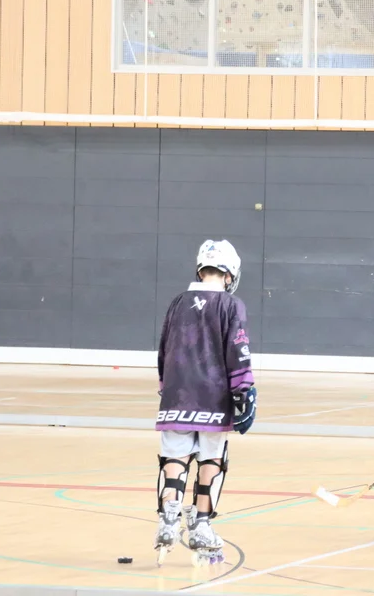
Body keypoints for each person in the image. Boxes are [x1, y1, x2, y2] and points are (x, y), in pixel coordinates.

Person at [154, 239, 257, 565]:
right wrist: (244, 390)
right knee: (212, 458)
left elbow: (164, 348)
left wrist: (165, 387)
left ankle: (168, 519)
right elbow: (238, 349)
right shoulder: (231, 305)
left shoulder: (177, 302)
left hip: (177, 393)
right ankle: (201, 525)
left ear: (200, 270)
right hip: (214, 396)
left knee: (174, 457)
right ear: (229, 274)